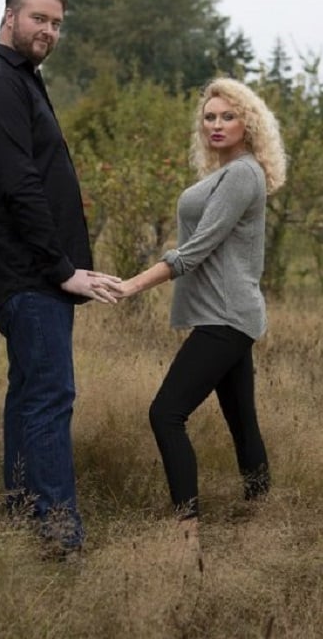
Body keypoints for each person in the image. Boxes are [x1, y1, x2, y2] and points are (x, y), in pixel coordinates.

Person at [0, 0, 120, 558]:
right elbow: (19, 187)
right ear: (9, 16)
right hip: (28, 274)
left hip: (31, 274)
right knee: (49, 395)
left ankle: (22, 508)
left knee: (29, 393)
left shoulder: (18, 81)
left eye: (56, 24)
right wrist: (61, 268)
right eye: (39, 19)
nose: (48, 31)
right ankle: (57, 531)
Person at [116, 77, 287, 552]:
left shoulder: (242, 174)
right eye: (209, 117)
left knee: (165, 413)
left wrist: (132, 284)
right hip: (227, 314)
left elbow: (194, 251)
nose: (216, 124)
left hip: (226, 318)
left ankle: (186, 534)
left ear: (247, 123)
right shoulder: (226, 171)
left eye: (227, 116)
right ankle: (261, 517)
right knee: (242, 422)